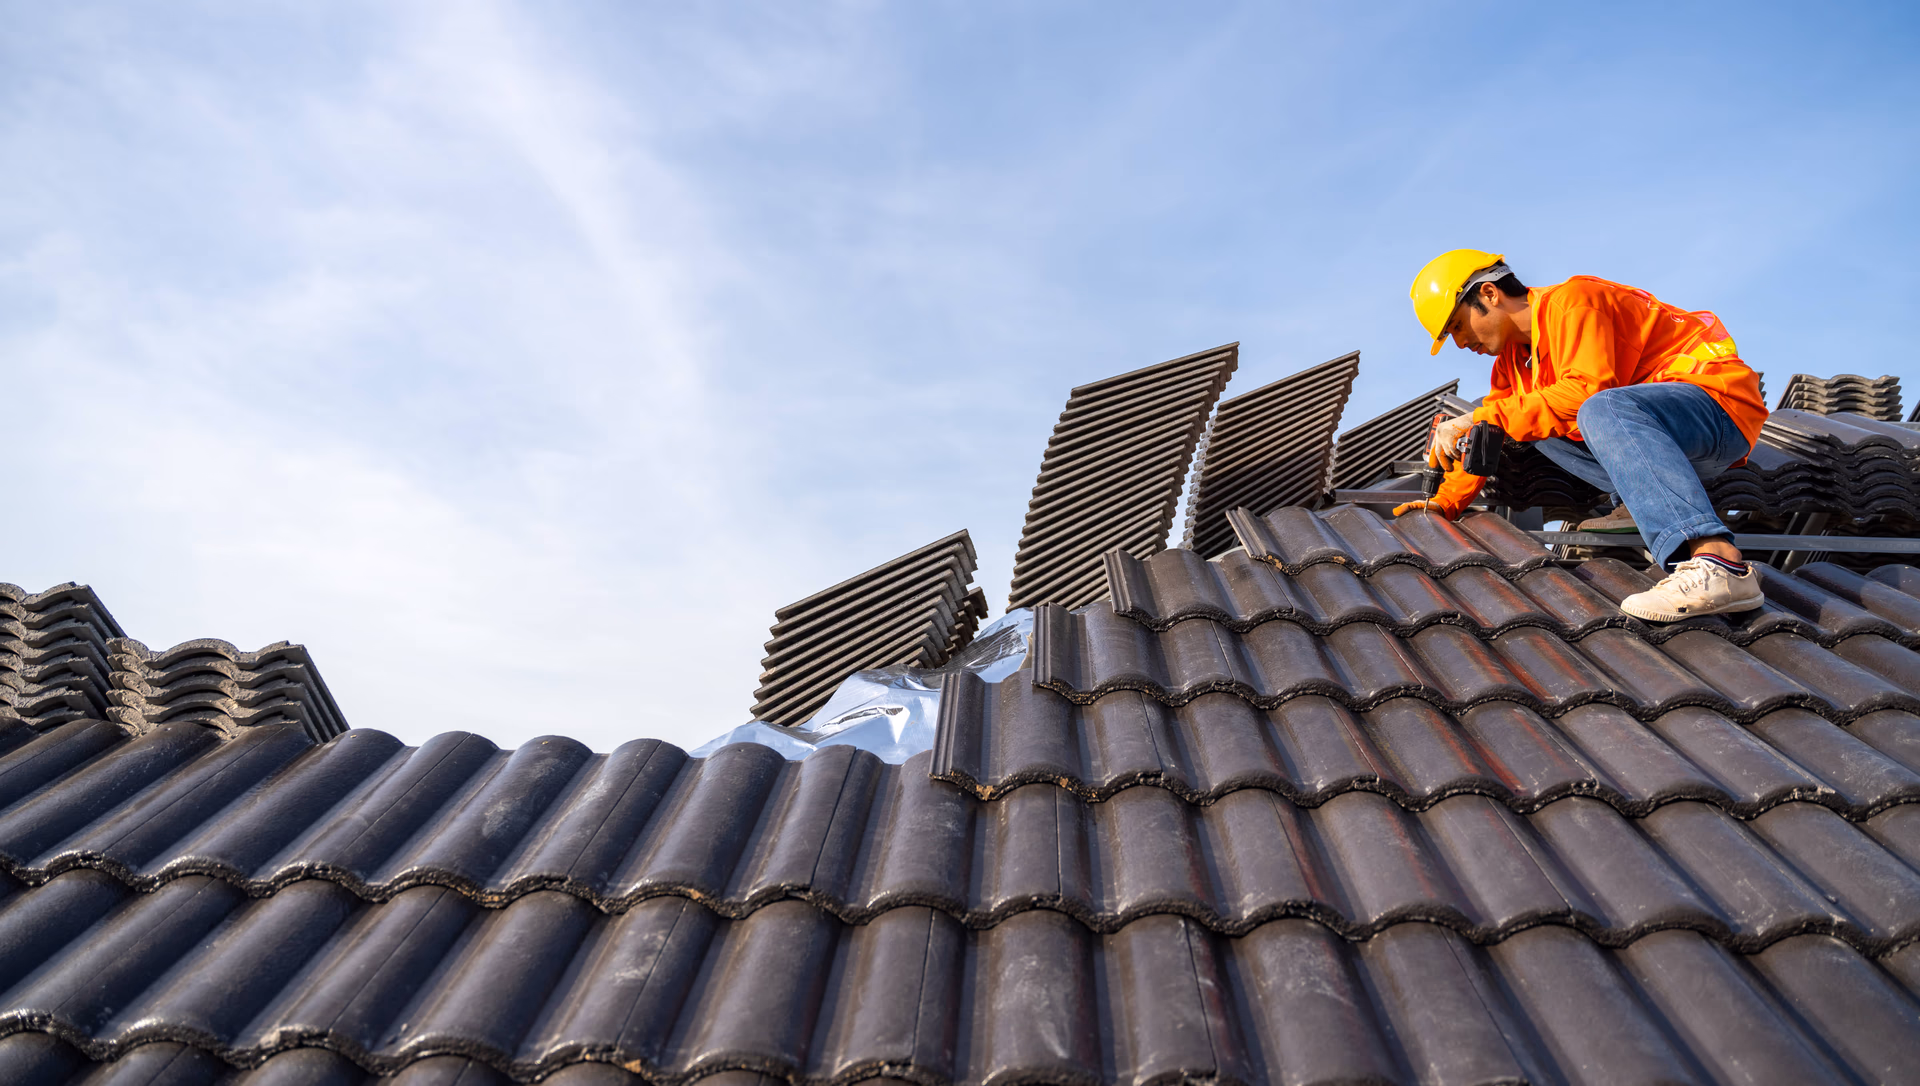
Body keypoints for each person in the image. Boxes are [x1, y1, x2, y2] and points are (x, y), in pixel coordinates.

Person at [1392, 249, 1769, 621]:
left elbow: (1587, 392)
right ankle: (1637, 502)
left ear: (1489, 294)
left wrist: (1480, 416)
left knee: (1591, 407)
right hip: (1659, 436)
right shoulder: (1513, 364)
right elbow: (1488, 433)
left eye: (1457, 326)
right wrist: (1445, 502)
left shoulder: (1576, 301)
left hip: (1715, 408)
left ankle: (1719, 563)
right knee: (1525, 419)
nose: (1460, 343)